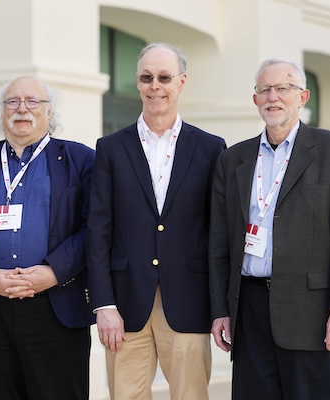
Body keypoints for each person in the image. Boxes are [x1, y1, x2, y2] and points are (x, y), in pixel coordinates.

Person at [208, 58, 330, 400]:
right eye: (265, 89)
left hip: (311, 312)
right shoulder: (232, 160)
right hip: (249, 310)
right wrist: (221, 309)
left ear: (303, 97)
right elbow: (220, 241)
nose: (273, 97)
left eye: (283, 88)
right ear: (255, 99)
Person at [86, 42, 226, 400]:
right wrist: (104, 304)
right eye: (146, 78)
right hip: (125, 304)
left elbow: (218, 233)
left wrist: (221, 307)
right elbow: (98, 231)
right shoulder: (110, 148)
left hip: (190, 301)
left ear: (181, 82)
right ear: (137, 82)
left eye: (164, 77)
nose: (155, 86)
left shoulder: (211, 148)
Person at [0, 76, 95, 400]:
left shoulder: (81, 159)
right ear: (2, 111)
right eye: (13, 101)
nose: (22, 108)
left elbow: (94, 227)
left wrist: (53, 272)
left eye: (32, 101)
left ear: (49, 111)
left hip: (56, 305)